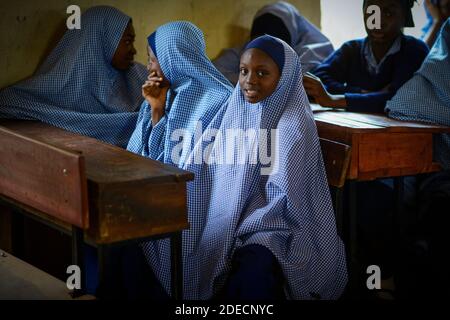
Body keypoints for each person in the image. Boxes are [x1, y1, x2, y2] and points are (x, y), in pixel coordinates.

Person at [128, 32, 347, 300]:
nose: (249, 81)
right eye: (243, 71)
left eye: (262, 73)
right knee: (151, 242)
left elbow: (286, 201)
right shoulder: (235, 109)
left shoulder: (292, 127)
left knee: (253, 264)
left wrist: (238, 223)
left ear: (285, 78)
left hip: (274, 224)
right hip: (235, 212)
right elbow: (210, 168)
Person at [0, 6, 147, 148]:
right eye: (127, 42)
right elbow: (9, 101)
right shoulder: (60, 84)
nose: (133, 50)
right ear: (101, 41)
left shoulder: (137, 75)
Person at [127, 22, 233, 166]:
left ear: (171, 58)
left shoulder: (220, 99)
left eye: (151, 60)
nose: (148, 67)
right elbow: (149, 156)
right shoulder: (161, 93)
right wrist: (157, 109)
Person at [304, 0, 429, 113]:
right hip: (355, 127)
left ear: (404, 17)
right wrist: (361, 92)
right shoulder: (352, 49)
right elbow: (316, 80)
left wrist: (333, 100)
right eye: (371, 12)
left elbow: (396, 99)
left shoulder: (414, 50)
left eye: (388, 13)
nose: (377, 21)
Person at [212, 1, 334, 85]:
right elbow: (212, 72)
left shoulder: (317, 51)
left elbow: (291, 83)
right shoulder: (250, 47)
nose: (266, 51)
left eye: (275, 45)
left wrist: (246, 79)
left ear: (288, 39)